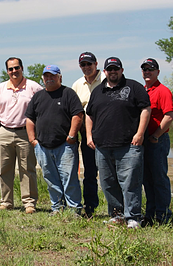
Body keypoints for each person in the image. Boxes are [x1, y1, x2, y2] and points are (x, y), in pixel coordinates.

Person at [85, 57, 151, 228]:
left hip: (129, 146)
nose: (113, 72)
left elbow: (145, 109)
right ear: (105, 72)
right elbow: (89, 115)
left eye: (116, 69)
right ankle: (117, 215)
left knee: (130, 183)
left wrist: (140, 133)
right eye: (110, 69)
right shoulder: (98, 91)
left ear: (121, 70)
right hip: (103, 146)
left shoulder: (134, 87)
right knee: (108, 183)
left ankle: (133, 217)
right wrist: (89, 136)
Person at [25, 65, 84, 216]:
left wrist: (71, 137)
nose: (49, 79)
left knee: (69, 178)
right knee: (50, 179)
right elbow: (30, 119)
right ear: (43, 78)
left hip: (65, 146)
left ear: (60, 77)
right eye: (46, 76)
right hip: (42, 146)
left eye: (52, 76)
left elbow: (77, 115)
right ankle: (57, 208)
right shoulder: (38, 96)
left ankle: (74, 210)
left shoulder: (68, 93)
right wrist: (33, 140)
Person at [0, 57, 42, 214]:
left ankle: (29, 203)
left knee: (27, 169)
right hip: (4, 131)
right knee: (4, 169)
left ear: (22, 68)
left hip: (25, 132)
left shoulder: (33, 87)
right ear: (7, 71)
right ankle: (6, 202)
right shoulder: (0, 88)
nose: (14, 71)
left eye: (16, 68)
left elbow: (43, 108)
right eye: (10, 69)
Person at [140, 58, 173, 226]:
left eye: (150, 69)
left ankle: (163, 215)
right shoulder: (144, 91)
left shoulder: (163, 91)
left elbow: (169, 116)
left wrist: (156, 136)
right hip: (144, 141)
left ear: (158, 72)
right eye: (144, 69)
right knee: (147, 179)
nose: (147, 72)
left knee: (159, 178)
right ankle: (150, 214)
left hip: (157, 141)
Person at [71, 52, 106, 217]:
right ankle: (90, 207)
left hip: (108, 134)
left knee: (112, 173)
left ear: (96, 64)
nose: (86, 67)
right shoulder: (77, 85)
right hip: (87, 136)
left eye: (89, 64)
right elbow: (73, 111)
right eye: (83, 65)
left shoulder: (107, 80)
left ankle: (119, 209)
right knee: (90, 174)